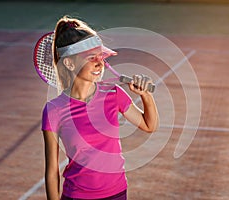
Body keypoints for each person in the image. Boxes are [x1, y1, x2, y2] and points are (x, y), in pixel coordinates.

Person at [41, 15, 159, 200]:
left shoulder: (114, 94)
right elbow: (51, 171)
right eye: (91, 58)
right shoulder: (53, 110)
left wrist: (146, 95)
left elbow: (149, 125)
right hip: (76, 196)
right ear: (69, 63)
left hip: (116, 194)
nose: (99, 63)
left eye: (101, 56)